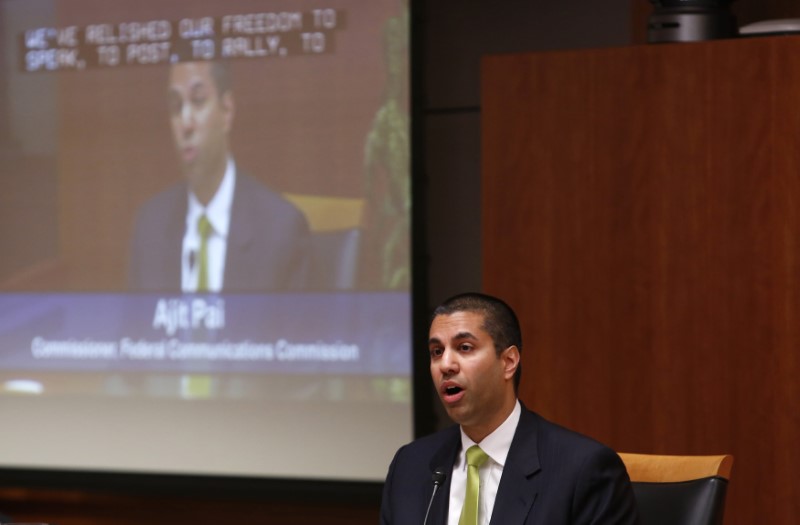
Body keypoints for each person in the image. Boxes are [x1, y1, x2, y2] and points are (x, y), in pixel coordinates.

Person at [380, 292, 639, 524]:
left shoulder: (582, 470)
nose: (445, 364)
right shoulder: (411, 465)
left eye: (464, 348)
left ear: (508, 362)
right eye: (437, 351)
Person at [128, 60, 310, 292]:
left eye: (198, 101)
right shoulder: (149, 227)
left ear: (227, 111)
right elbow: (133, 328)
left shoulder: (281, 231)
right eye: (175, 106)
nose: (185, 123)